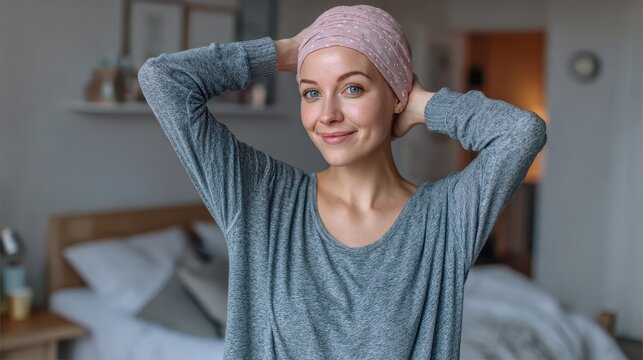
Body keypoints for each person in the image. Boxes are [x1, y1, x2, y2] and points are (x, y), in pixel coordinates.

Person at [138, 4, 547, 359]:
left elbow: (520, 132)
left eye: (352, 88)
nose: (327, 114)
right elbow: (163, 80)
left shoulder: (445, 220)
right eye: (311, 92)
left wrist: (423, 102)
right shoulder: (261, 199)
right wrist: (285, 52)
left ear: (396, 96)